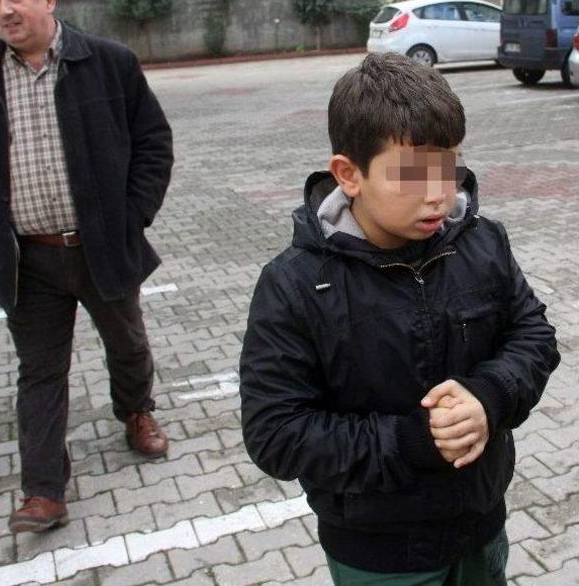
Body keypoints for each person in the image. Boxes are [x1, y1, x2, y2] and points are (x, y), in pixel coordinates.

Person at [239, 52, 559, 586]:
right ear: (349, 175)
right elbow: (276, 433)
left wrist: (489, 397)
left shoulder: (481, 242)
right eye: (412, 175)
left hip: (481, 526)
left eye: (448, 167)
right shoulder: (295, 285)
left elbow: (533, 335)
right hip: (378, 555)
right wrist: (412, 442)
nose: (438, 192)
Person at [0, 0, 173, 534]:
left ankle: (136, 411)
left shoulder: (109, 64)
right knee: (40, 372)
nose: (3, 11)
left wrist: (132, 218)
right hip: (28, 259)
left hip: (101, 248)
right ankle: (44, 490)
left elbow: (153, 142)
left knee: (126, 344)